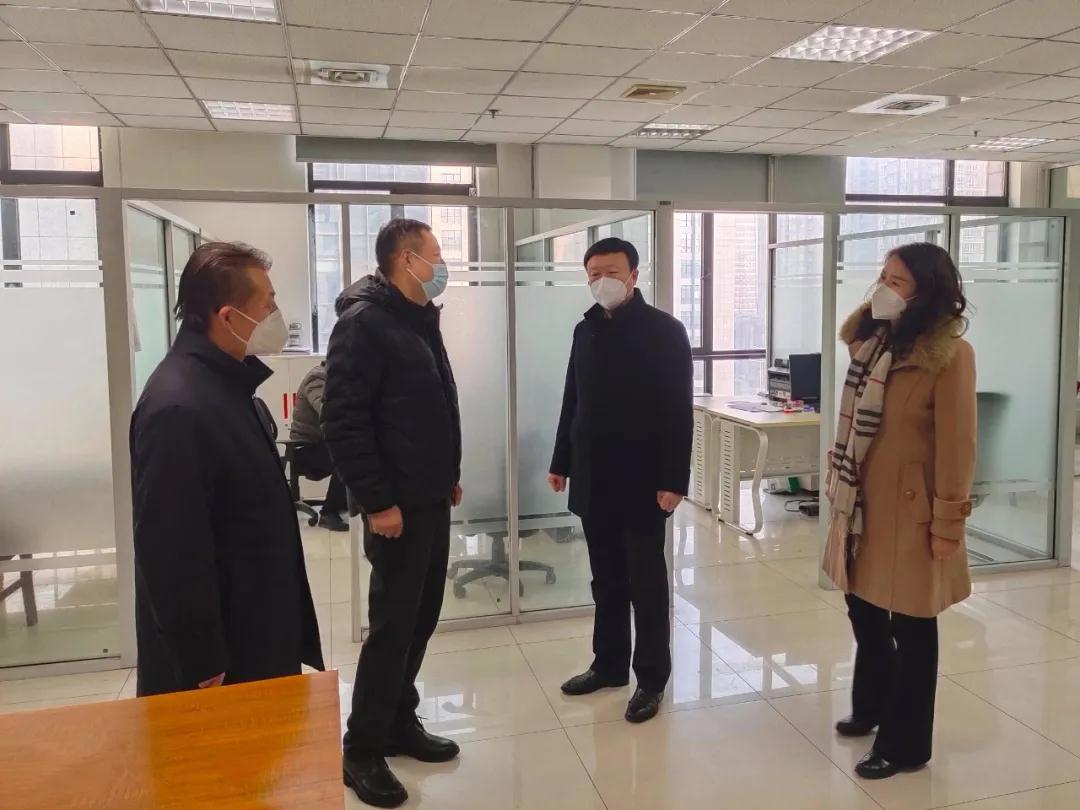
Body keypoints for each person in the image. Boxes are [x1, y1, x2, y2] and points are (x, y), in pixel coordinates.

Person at [130, 242, 324, 697]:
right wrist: (201, 656)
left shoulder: (226, 384)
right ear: (228, 317)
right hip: (225, 656)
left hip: (257, 622)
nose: (276, 314)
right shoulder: (179, 407)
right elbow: (170, 547)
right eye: (268, 304)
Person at [323, 218, 463, 809]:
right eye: (436, 253)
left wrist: (446, 474)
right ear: (406, 259)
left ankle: (399, 721)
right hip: (396, 509)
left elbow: (430, 405)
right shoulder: (365, 323)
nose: (441, 264)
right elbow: (343, 420)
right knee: (392, 628)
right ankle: (361, 749)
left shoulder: (417, 317)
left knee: (421, 617)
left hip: (428, 497)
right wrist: (377, 501)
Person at [824, 242, 976, 780]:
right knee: (863, 610)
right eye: (883, 277)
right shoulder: (873, 343)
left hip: (913, 514)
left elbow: (959, 446)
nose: (884, 289)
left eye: (898, 282)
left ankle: (906, 744)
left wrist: (948, 523)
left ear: (926, 293)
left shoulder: (949, 356)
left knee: (912, 628)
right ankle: (871, 705)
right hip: (860, 505)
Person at [548, 236, 693, 725]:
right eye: (593, 274)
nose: (601, 282)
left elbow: (678, 411)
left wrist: (675, 479)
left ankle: (651, 678)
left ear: (633, 274)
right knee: (605, 578)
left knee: (645, 582)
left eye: (610, 272)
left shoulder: (664, 331)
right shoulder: (584, 330)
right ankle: (608, 664)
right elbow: (573, 398)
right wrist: (561, 460)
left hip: (643, 479)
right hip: (593, 475)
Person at [289, 361, 349, 532]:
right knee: (345, 454)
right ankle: (329, 513)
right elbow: (325, 409)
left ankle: (342, 504)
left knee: (353, 448)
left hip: (318, 446)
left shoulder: (334, 380)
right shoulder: (317, 377)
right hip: (304, 449)